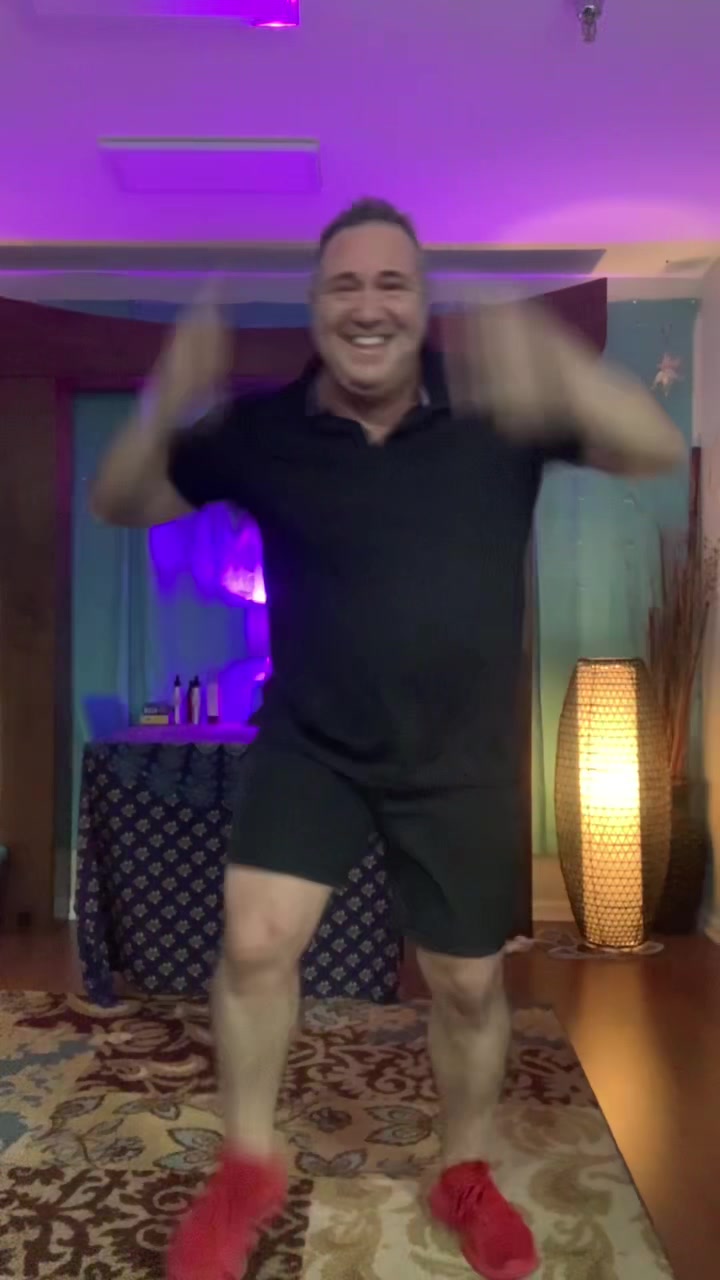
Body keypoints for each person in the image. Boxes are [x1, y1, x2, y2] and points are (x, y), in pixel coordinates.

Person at [92, 198, 685, 1280]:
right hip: (310, 742)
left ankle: (465, 1170)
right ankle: (249, 1166)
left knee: (465, 985)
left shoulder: (495, 411)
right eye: (345, 285)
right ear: (317, 305)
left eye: (391, 284)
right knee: (256, 943)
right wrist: (167, 395)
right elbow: (120, 500)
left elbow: (650, 447)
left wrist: (555, 360)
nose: (368, 307)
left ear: (421, 304)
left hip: (459, 760)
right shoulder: (265, 430)